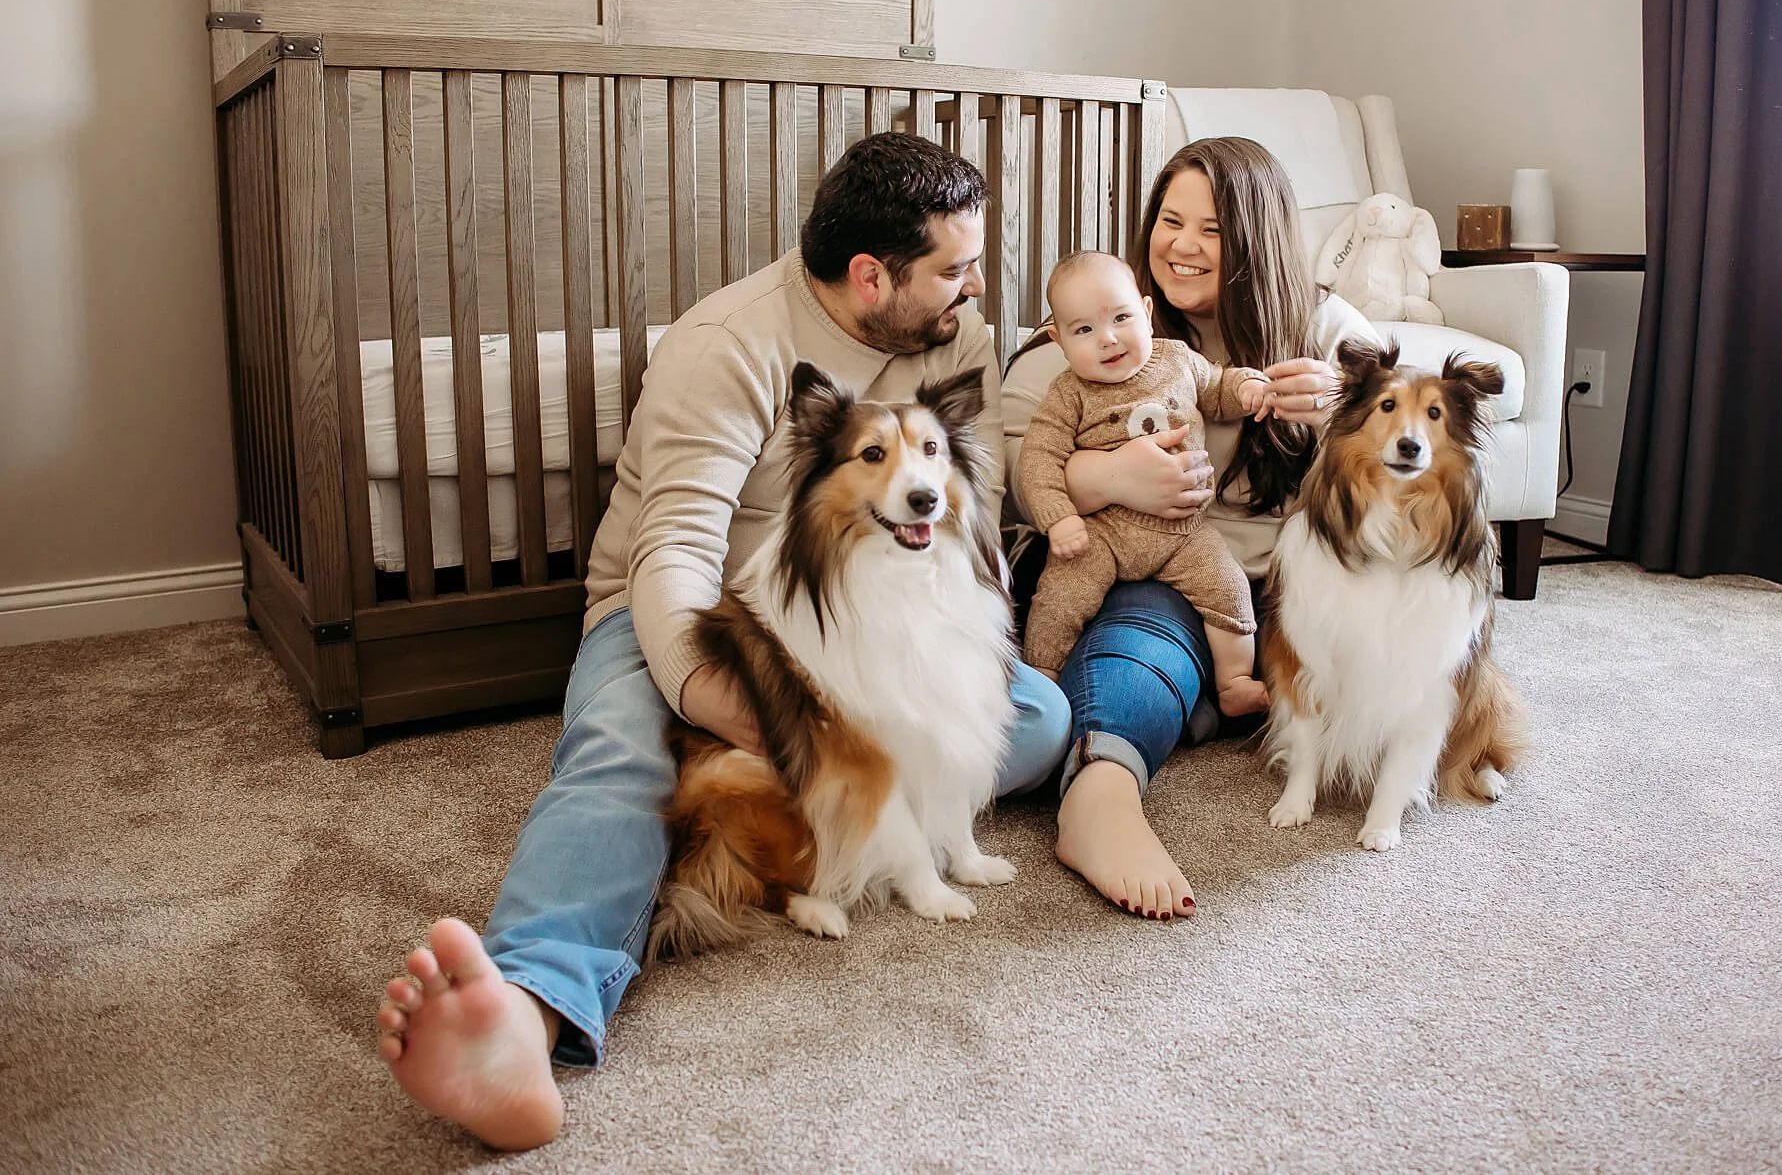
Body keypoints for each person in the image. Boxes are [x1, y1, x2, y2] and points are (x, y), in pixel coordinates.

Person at [374, 133, 1071, 1151]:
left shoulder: (953, 339)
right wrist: (730, 706)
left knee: (1039, 716)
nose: (975, 287)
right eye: (955, 268)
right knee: (620, 759)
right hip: (697, 615)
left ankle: (821, 827)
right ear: (871, 276)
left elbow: (969, 514)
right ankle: (525, 1011)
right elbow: (673, 549)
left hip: (880, 616)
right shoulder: (727, 343)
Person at [1001, 137, 1378, 923]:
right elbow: (1019, 449)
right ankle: (1099, 796)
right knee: (1139, 624)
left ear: (1259, 237)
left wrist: (1350, 404)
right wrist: (1104, 478)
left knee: (1382, 639)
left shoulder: (1319, 324)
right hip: (1158, 574)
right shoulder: (1104, 324)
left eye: (1212, 229)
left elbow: (1419, 425)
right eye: (1170, 221)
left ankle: (1209, 700)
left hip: (1287, 584)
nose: (1183, 245)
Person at [1015, 250, 1275, 715]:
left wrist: (1247, 389)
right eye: (1084, 330)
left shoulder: (1177, 360)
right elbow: (1038, 460)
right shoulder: (1068, 394)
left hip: (1185, 534)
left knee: (1229, 587)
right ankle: (1042, 681)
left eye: (1121, 317)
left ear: (1147, 311)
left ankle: (1234, 681)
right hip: (1103, 534)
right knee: (1058, 598)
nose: (1108, 339)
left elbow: (1217, 388)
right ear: (1058, 340)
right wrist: (1059, 520)